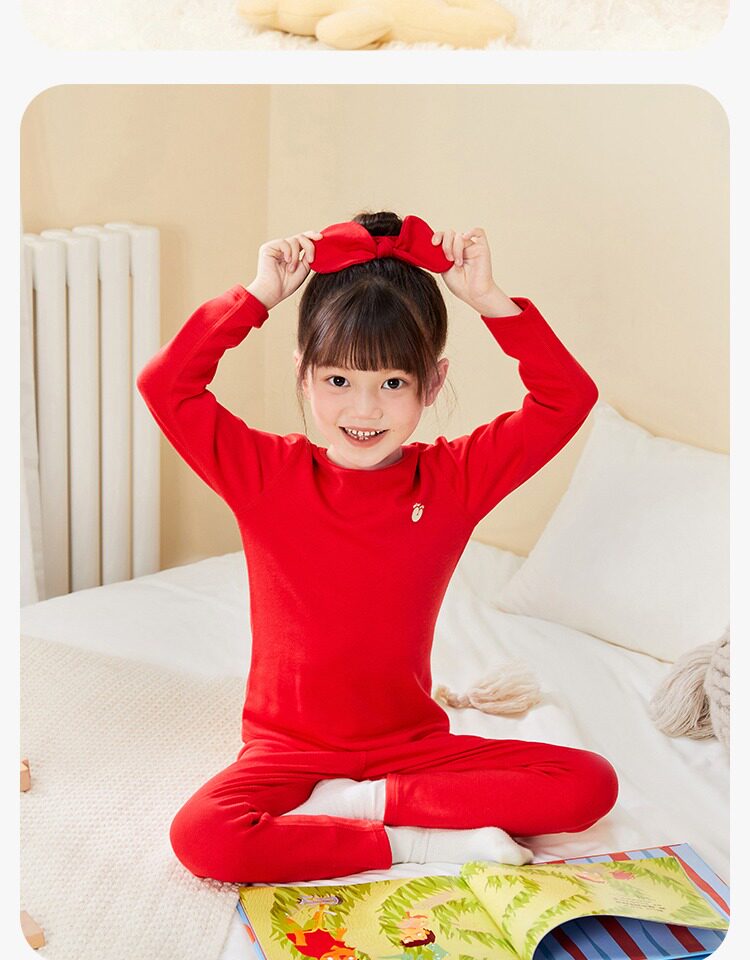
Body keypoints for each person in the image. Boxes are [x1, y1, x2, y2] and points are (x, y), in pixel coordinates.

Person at [136, 210, 618, 885]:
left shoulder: (453, 481)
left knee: (589, 785)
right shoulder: (265, 474)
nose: (364, 411)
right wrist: (259, 295)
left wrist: (488, 299)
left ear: (433, 383)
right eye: (338, 381)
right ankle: (409, 841)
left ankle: (359, 806)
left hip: (409, 748)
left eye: (392, 383)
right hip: (289, 751)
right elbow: (165, 384)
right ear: (304, 374)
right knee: (203, 837)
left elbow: (566, 398)